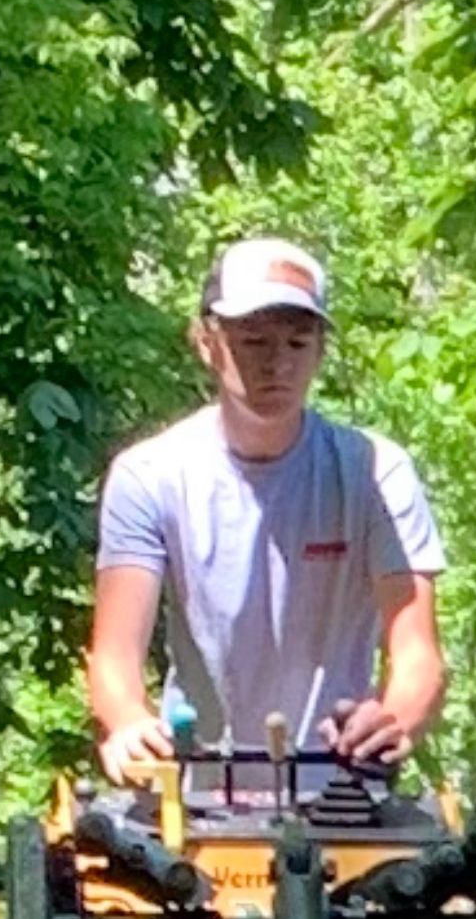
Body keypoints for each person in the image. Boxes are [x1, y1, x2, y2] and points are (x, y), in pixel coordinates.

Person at [88, 236, 447, 782]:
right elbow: (115, 654)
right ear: (206, 342)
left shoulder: (377, 472)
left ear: (320, 351)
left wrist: (393, 718)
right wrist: (129, 722)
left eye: (298, 343)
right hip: (194, 798)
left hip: (345, 795)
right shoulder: (150, 476)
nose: (276, 363)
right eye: (253, 341)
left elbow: (419, 652)